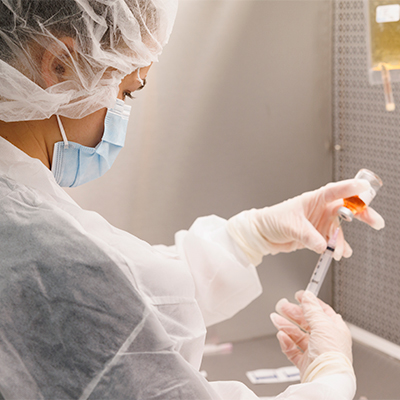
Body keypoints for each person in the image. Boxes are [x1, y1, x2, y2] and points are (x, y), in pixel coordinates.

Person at [0, 1, 385, 399]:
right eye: (127, 92)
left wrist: (249, 237)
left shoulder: (19, 206)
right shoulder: (42, 250)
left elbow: (125, 296)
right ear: (60, 65)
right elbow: (91, 303)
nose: (120, 113)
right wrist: (331, 379)